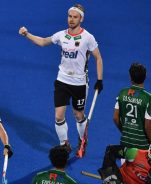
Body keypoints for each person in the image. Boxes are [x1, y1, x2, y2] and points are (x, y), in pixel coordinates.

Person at [19, 4, 103, 157]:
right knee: (58, 116)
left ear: (81, 19)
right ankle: (64, 144)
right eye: (70, 16)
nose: (71, 20)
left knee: (78, 115)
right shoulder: (61, 35)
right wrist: (27, 34)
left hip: (79, 83)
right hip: (62, 80)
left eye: (75, 17)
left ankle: (83, 139)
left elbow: (98, 58)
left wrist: (99, 79)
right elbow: (43, 41)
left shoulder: (88, 38)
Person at [113, 62, 151, 149]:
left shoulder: (122, 93)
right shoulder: (149, 98)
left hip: (125, 144)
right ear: (146, 76)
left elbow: (115, 118)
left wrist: (125, 132)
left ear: (130, 77)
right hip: (142, 147)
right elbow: (148, 126)